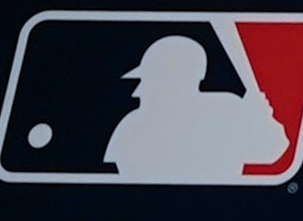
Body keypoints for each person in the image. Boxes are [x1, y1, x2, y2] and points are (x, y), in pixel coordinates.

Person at [102, 33, 292, 182]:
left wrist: (261, 120)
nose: (138, 91)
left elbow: (272, 150)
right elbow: (126, 181)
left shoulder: (226, 110)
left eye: (150, 80)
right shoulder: (133, 126)